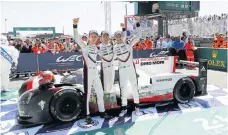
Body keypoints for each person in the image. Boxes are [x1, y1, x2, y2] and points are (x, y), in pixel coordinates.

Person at [73, 18, 112, 125]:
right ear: (89, 37)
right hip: (88, 72)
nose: (94, 38)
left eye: (95, 37)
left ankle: (102, 112)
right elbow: (76, 37)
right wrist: (75, 25)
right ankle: (87, 115)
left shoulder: (96, 48)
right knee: (88, 94)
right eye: (92, 36)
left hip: (95, 73)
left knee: (100, 93)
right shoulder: (84, 45)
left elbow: (106, 54)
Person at [114, 17, 143, 117]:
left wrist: (137, 22)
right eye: (117, 36)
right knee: (123, 89)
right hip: (122, 71)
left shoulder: (129, 43)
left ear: (122, 36)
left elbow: (139, 35)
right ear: (115, 38)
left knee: (135, 87)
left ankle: (137, 107)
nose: (118, 37)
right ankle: (124, 108)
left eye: (120, 35)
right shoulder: (114, 47)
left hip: (131, 69)